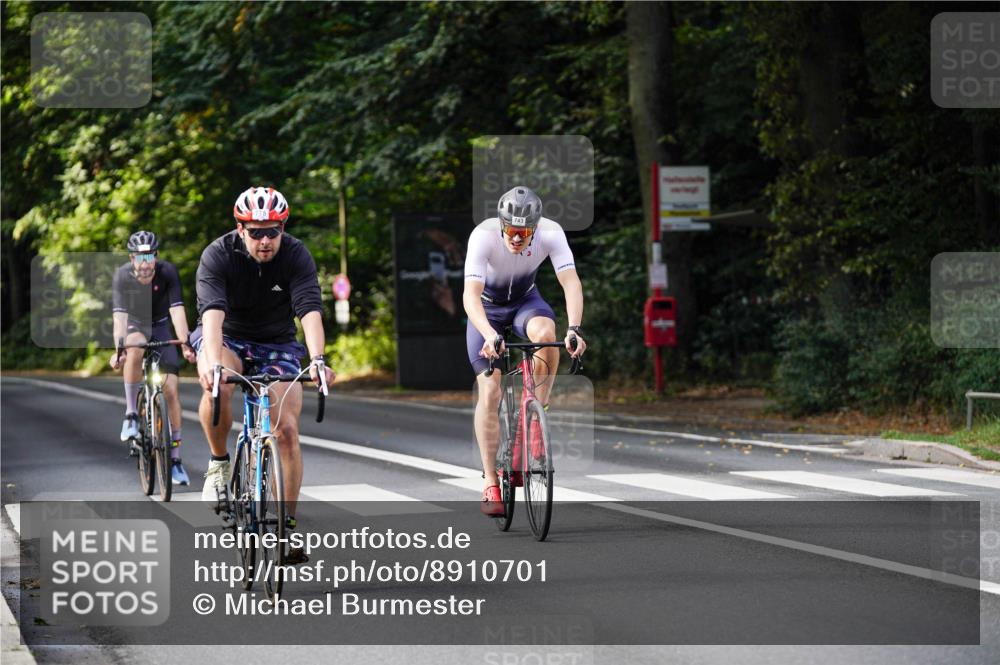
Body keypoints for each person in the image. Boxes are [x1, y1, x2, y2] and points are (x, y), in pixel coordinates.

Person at [190, 186, 335, 561]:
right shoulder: (218, 255)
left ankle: (286, 528)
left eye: (273, 231)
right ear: (240, 229)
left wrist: (318, 359)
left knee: (285, 431)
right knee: (217, 385)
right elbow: (212, 317)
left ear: (283, 227)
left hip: (277, 343)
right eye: (256, 232)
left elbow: (309, 310)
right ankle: (219, 464)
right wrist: (213, 364)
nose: (265, 240)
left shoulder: (296, 254)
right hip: (228, 336)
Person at [463, 186, 586, 516]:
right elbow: (470, 295)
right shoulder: (483, 236)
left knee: (547, 335)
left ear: (536, 227)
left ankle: (536, 414)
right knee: (490, 389)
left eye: (525, 232)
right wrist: (489, 334)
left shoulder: (551, 233)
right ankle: (490, 481)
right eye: (512, 231)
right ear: (502, 225)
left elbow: (570, 281)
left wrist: (574, 328)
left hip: (524, 303)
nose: (517, 239)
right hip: (485, 309)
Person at [110, 231, 197, 485]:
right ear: (132, 258)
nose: (145, 263)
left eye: (149, 256)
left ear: (156, 257)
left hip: (159, 326)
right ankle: (131, 415)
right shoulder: (122, 276)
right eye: (139, 257)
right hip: (134, 326)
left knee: (170, 390)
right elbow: (119, 318)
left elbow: (177, 311)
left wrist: (185, 344)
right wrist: (119, 349)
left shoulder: (168, 272)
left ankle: (176, 460)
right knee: (134, 346)